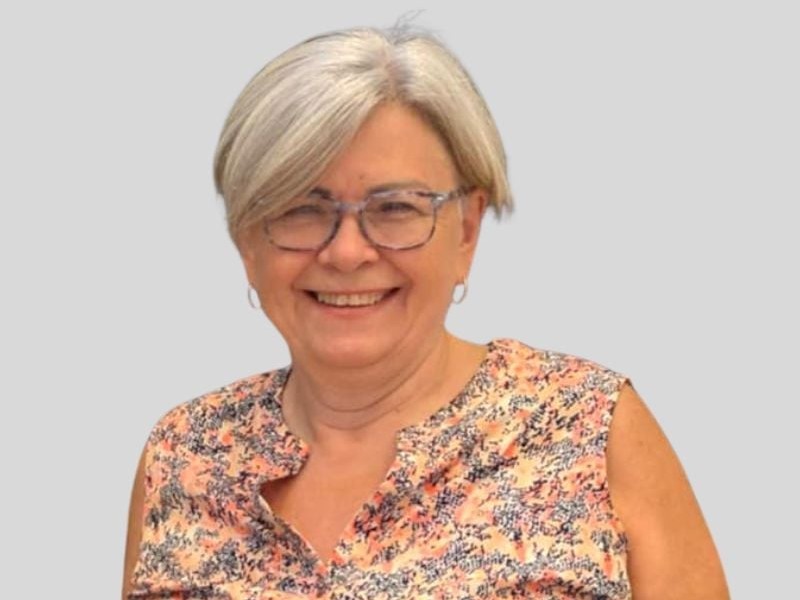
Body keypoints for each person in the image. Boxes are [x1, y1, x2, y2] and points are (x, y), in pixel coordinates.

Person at [123, 25, 729, 599]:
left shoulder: (588, 427)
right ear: (246, 243)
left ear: (466, 231)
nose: (347, 253)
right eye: (301, 209)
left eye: (394, 208)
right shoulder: (185, 455)